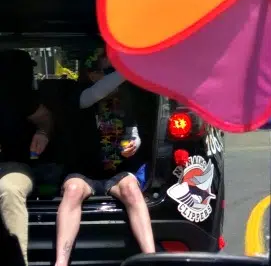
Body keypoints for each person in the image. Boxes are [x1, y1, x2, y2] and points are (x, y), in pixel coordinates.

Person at [55, 54, 155, 266]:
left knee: (132, 190)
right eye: (100, 71)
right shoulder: (78, 94)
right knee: (72, 190)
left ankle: (151, 258)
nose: (105, 77)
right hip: (83, 172)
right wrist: (127, 70)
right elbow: (96, 92)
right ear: (88, 73)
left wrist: (133, 144)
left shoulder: (124, 98)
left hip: (116, 172)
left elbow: (132, 132)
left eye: (108, 71)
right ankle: (61, 263)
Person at [0, 49, 54, 265]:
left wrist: (43, 133)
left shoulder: (19, 97)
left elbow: (45, 118)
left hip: (12, 165)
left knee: (9, 189)